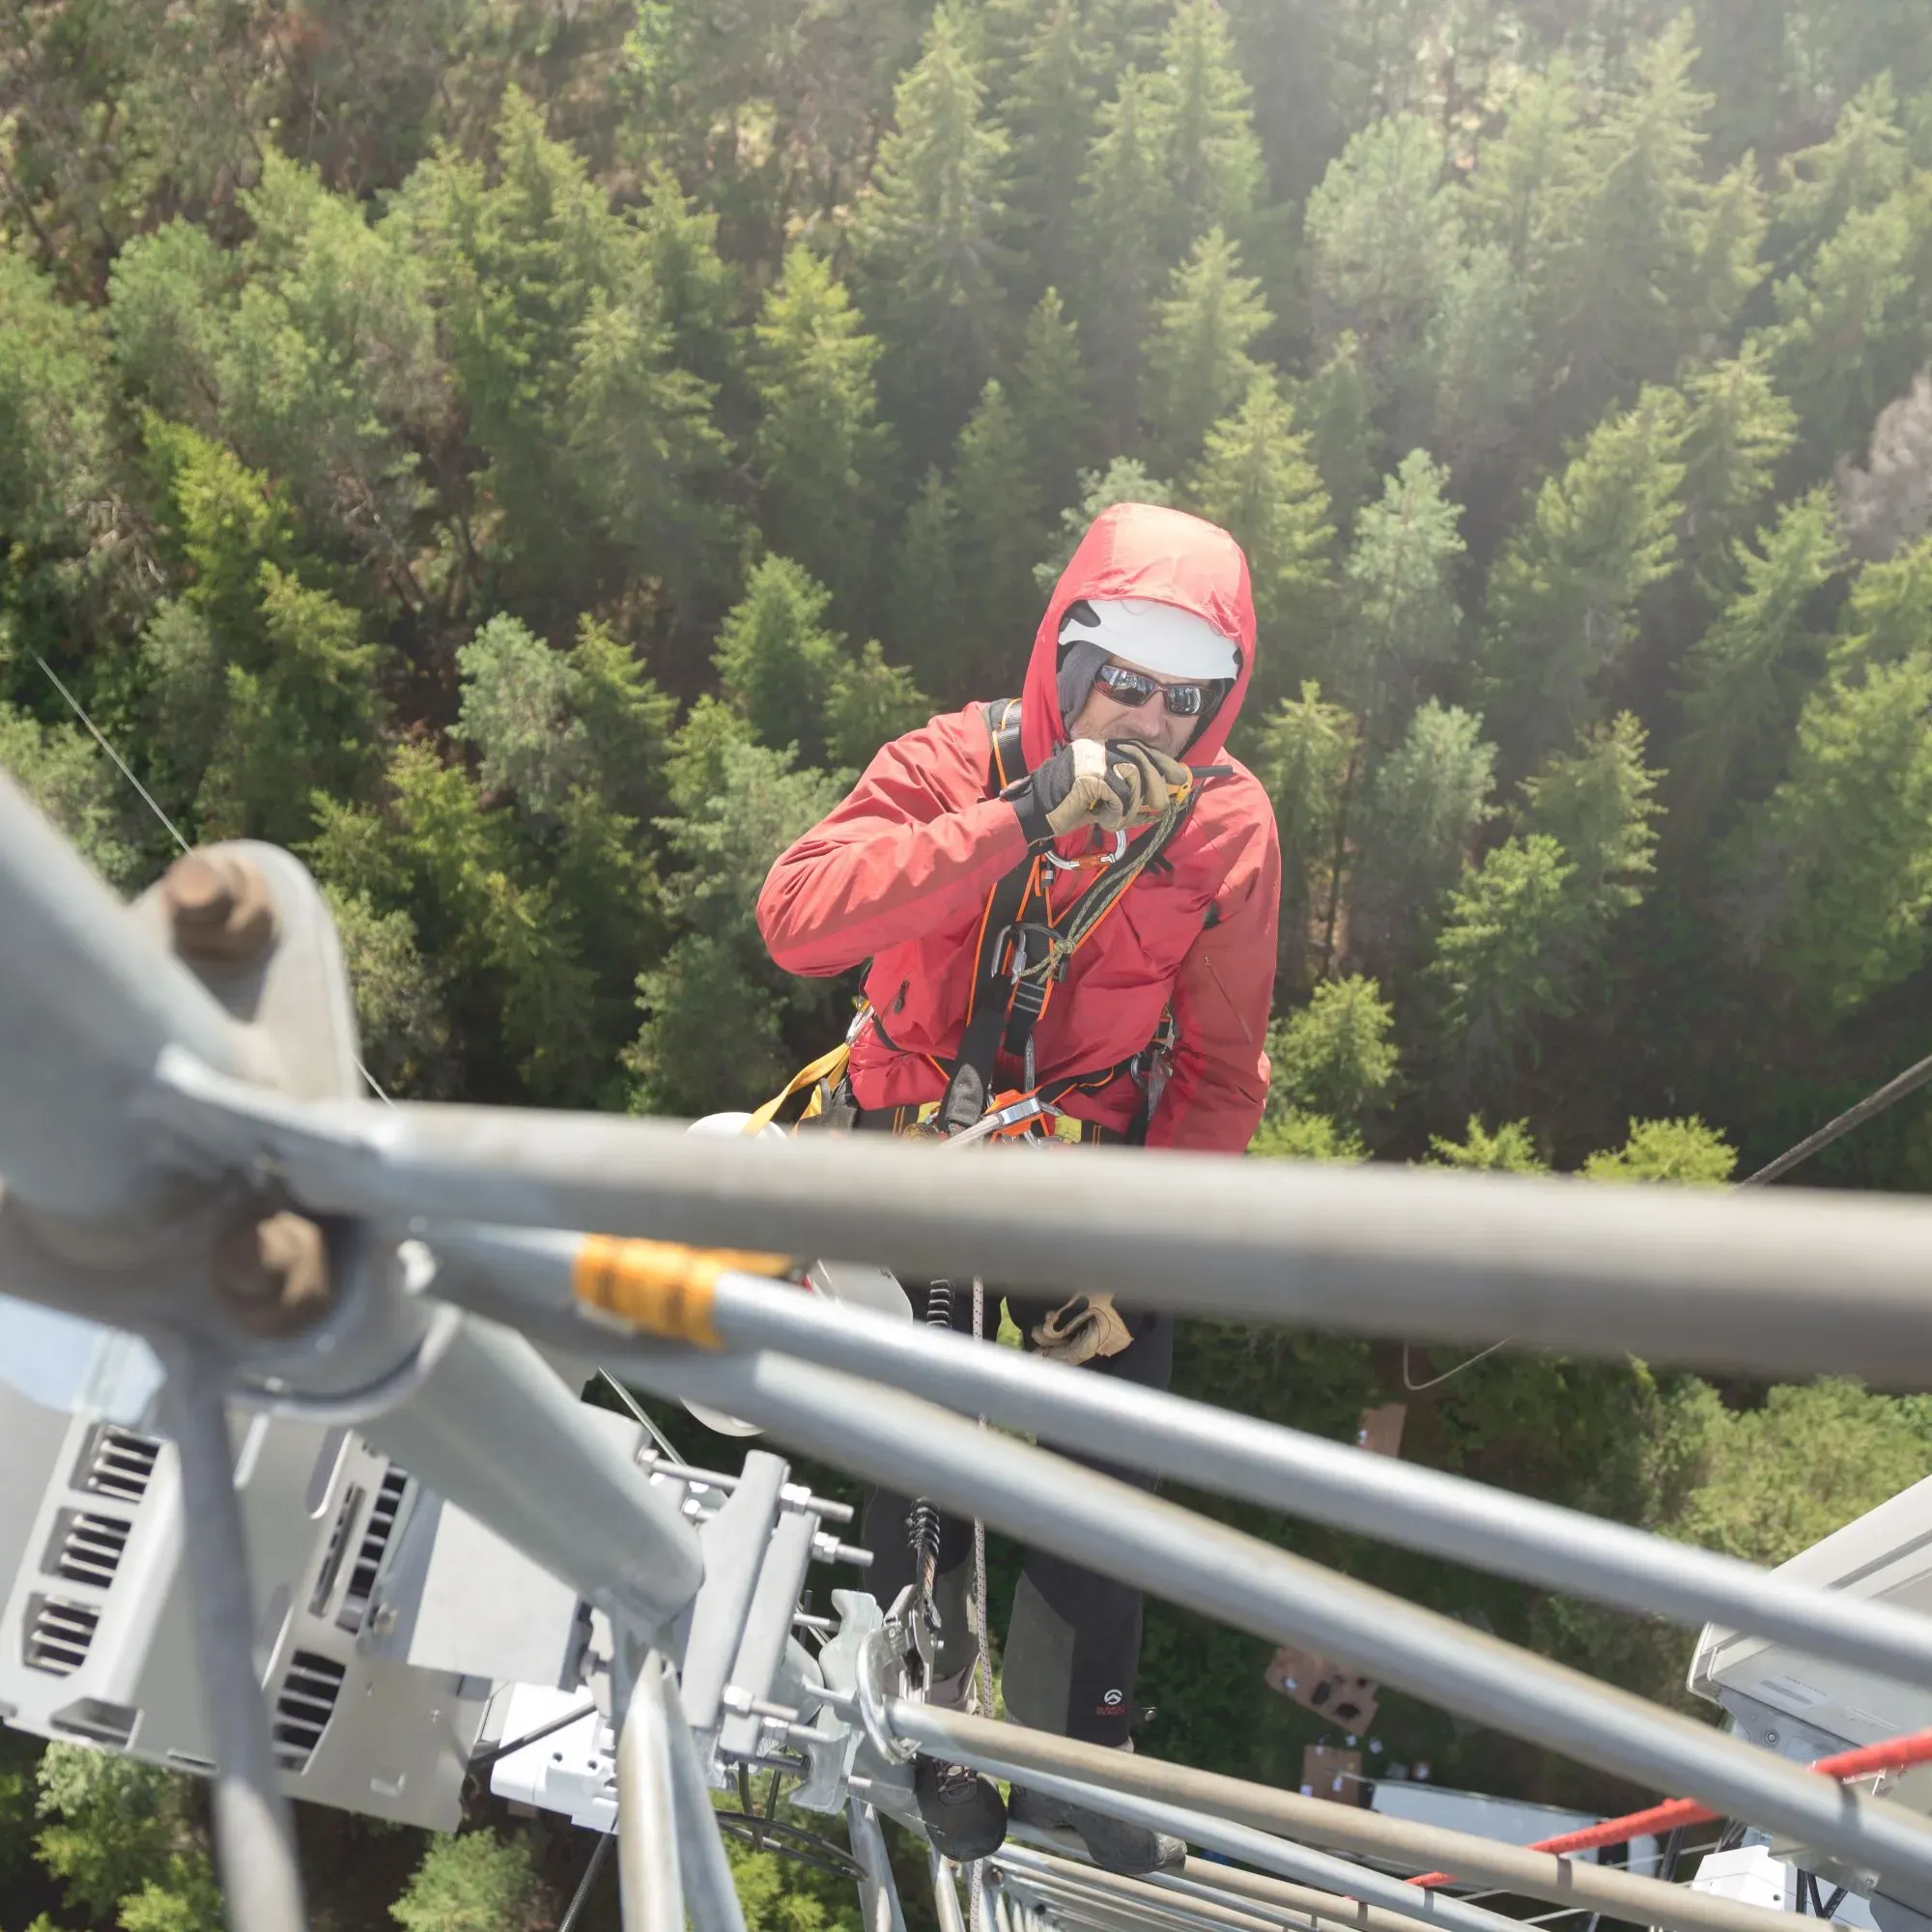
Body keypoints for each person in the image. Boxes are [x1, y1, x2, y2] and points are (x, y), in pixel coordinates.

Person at [755, 502, 1281, 1870]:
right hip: (916, 1150)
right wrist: (1018, 820)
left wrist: (1137, 1248)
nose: (1149, 722)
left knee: (1109, 1475)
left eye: (1183, 700)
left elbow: (1221, 1071)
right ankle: (941, 1734)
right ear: (1069, 665)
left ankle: (1079, 1757)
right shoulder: (955, 763)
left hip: (1075, 1178)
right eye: (1124, 685)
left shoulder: (1224, 829)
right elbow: (798, 919)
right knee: (921, 1476)